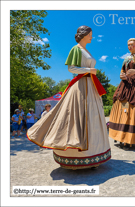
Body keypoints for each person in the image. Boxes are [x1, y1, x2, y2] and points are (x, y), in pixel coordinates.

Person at [27, 25, 111, 169]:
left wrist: (90, 72)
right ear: (84, 35)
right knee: (77, 115)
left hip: (90, 85)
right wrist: (89, 70)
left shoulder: (86, 50)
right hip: (81, 85)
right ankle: (76, 155)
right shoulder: (76, 49)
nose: (92, 36)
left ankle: (94, 154)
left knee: (92, 116)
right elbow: (71, 68)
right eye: (90, 34)